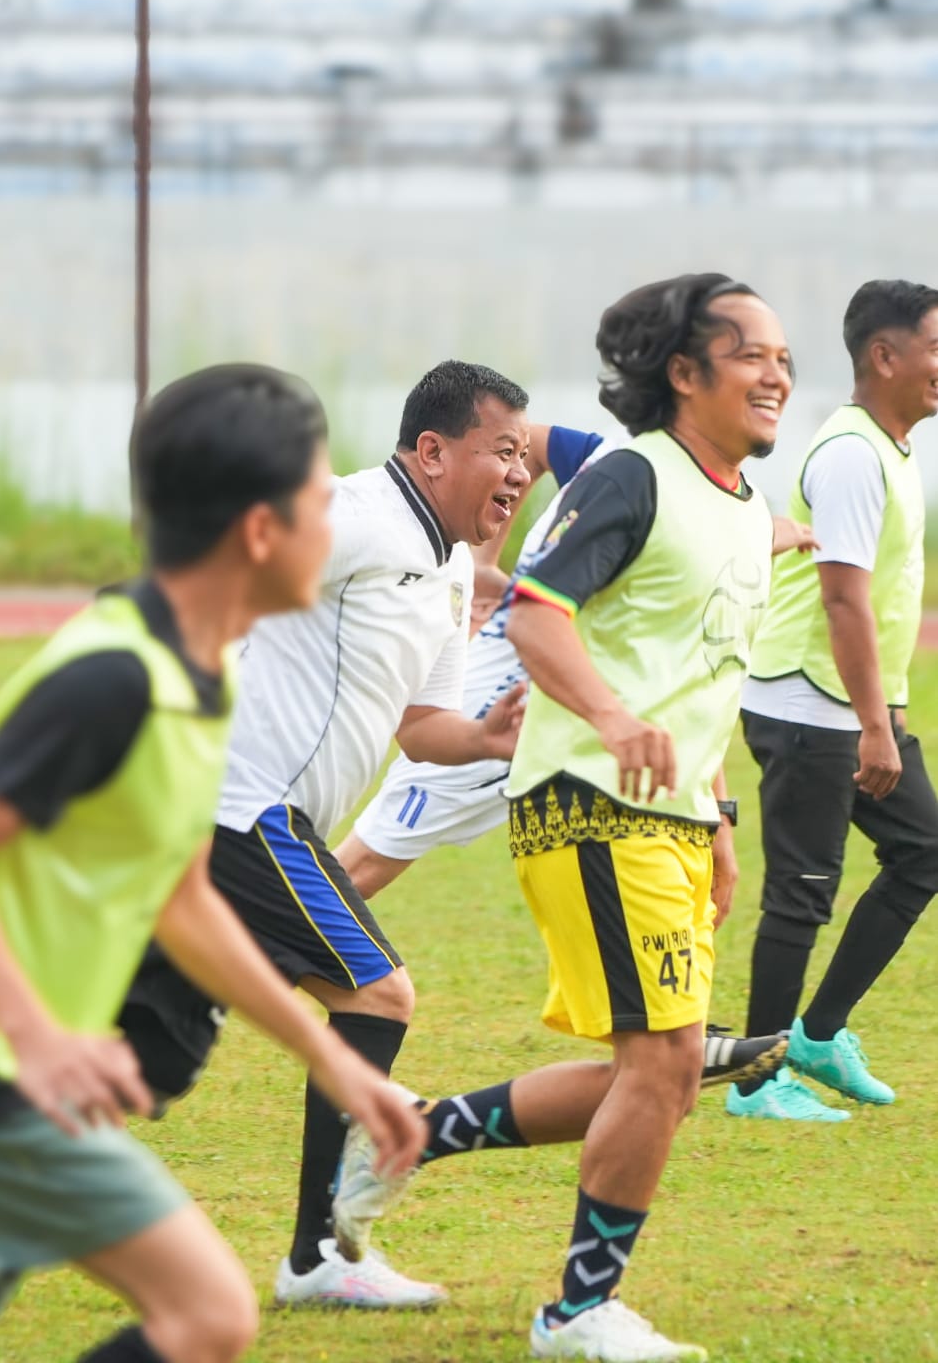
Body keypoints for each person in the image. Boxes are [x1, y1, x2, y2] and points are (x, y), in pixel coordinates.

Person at [0, 364, 425, 1363]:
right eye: (320, 502)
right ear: (259, 532)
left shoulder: (200, 676)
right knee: (208, 1314)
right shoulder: (116, 675)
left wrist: (334, 1062)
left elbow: (180, 897)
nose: (339, 520)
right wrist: (37, 1037)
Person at [333, 274, 795, 1363]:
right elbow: (539, 619)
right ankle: (578, 1312)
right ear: (682, 373)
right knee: (663, 1065)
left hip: (670, 815)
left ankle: (415, 1131)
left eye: (783, 357)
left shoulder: (740, 508)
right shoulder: (634, 475)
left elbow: (700, 678)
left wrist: (717, 814)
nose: (776, 374)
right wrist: (609, 717)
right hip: (589, 801)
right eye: (750, 354)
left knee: (663, 1078)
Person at [121, 360, 532, 1309]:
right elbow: (220, 576)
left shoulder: (450, 565)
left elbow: (423, 730)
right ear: (432, 452)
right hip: (239, 805)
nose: (519, 473)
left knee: (139, 1059)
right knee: (377, 992)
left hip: (266, 820)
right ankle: (317, 1255)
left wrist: (485, 737)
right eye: (502, 450)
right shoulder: (354, 514)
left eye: (523, 456)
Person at [728, 278, 938, 1122]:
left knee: (924, 850)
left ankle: (816, 1035)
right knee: (801, 890)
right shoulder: (851, 454)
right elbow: (842, 599)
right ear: (883, 356)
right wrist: (872, 725)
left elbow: (876, 599)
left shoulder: (890, 449)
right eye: (935, 347)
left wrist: (886, 712)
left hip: (848, 705)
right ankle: (756, 1081)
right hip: (807, 705)